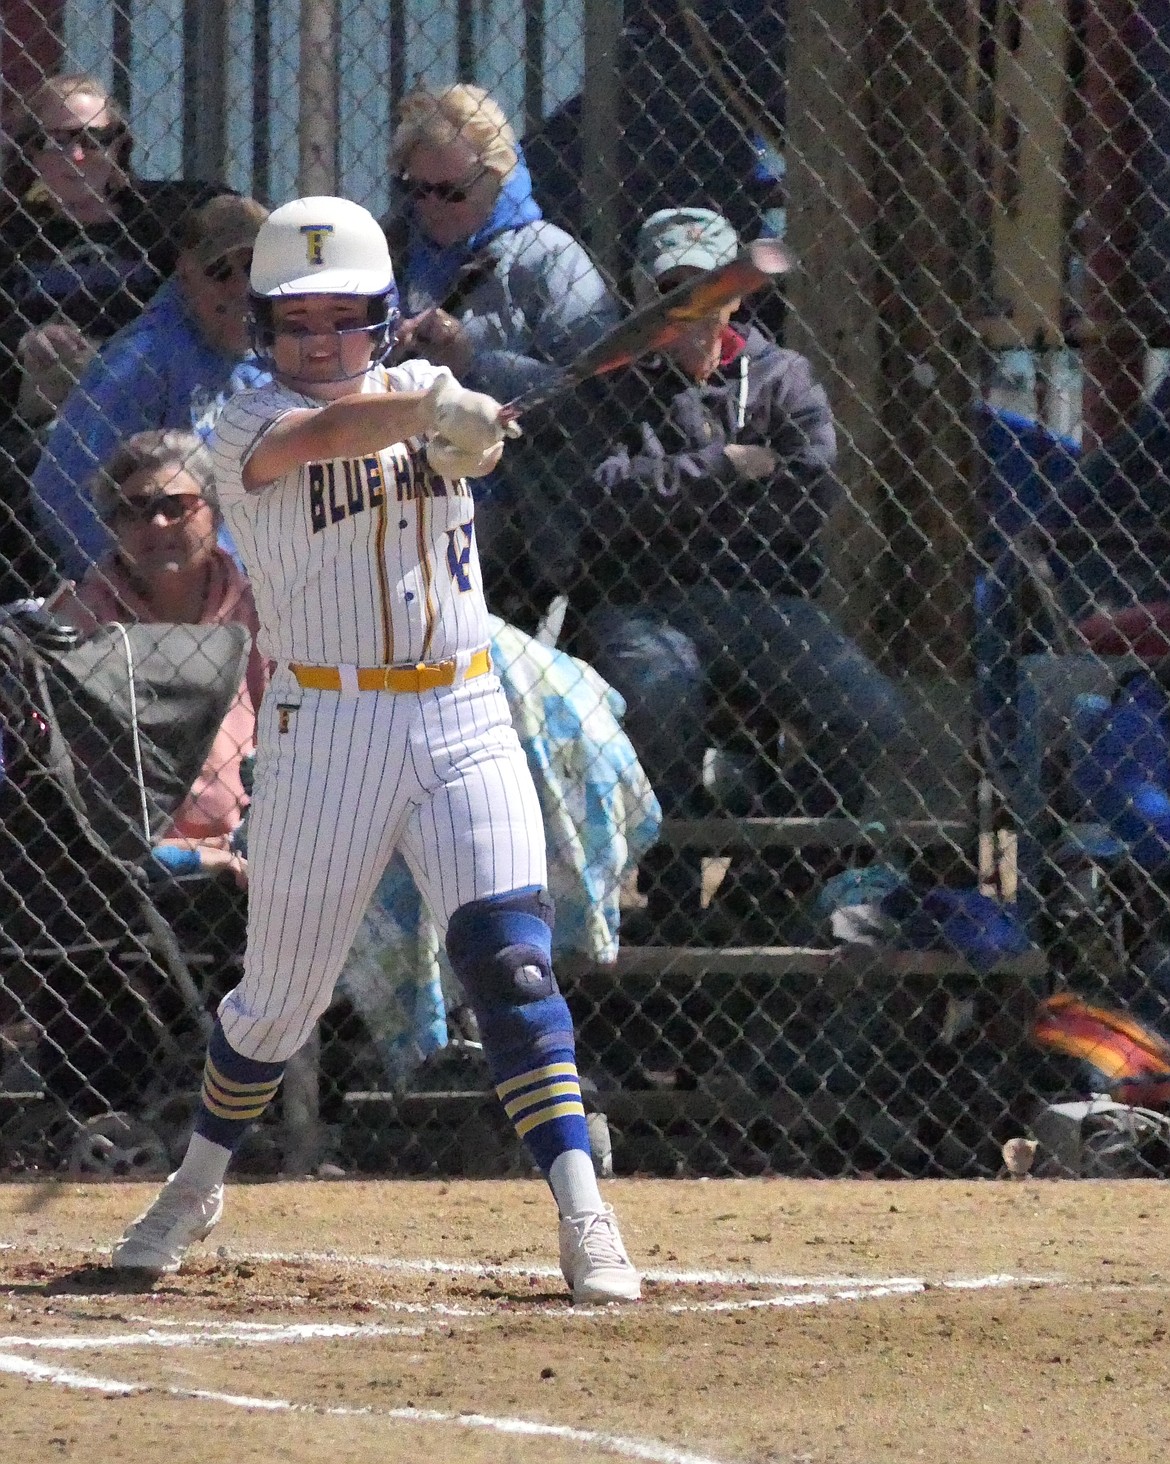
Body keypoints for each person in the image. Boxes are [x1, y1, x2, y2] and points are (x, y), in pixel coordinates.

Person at [109, 195, 641, 1303]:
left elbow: (468, 453)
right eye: (296, 322)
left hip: (461, 709)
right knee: (277, 1003)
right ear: (264, 329)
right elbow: (335, 435)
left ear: (381, 317)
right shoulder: (243, 422)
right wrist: (437, 409)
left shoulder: (414, 396)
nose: (319, 343)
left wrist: (477, 433)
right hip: (327, 726)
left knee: (511, 961)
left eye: (343, 320)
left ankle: (585, 1210)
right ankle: (198, 1179)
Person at [560, 207, 916, 940]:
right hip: (639, 600)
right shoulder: (609, 378)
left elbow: (808, 493)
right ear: (641, 295)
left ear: (738, 295)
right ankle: (672, 903)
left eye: (707, 289)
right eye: (672, 292)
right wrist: (722, 467)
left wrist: (665, 493)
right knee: (659, 695)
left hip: (761, 597)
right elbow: (597, 499)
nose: (690, 309)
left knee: (870, 716)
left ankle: (764, 889)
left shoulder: (783, 377)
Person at [53, 429, 266, 882]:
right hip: (127, 863)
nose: (158, 525)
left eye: (176, 505)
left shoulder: (260, 610)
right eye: (135, 511)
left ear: (215, 508)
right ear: (112, 527)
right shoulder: (82, 622)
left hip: (258, 843)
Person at [31, 192, 270, 580]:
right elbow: (60, 486)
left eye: (255, 268)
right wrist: (136, 585)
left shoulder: (282, 349)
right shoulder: (144, 360)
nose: (241, 287)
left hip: (251, 584)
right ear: (186, 273)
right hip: (172, 596)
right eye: (220, 271)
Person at [0, 72, 224, 431]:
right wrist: (24, 339)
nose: (76, 155)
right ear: (31, 153)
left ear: (117, 146)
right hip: (49, 408)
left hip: (154, 385)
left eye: (92, 139)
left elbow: (243, 226)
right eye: (56, 140)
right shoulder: (12, 234)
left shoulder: (169, 214)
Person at [386, 83, 619, 403]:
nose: (432, 206)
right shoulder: (392, 251)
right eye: (417, 189)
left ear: (499, 176)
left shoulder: (549, 256)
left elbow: (597, 393)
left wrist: (472, 367)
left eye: (452, 192)